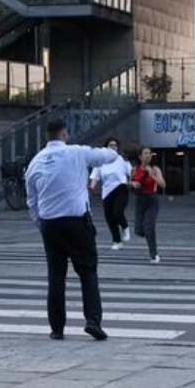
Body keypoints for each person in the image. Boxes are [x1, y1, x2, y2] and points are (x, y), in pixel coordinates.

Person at [25, 118, 117, 341]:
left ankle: (57, 328)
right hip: (77, 223)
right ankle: (92, 321)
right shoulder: (77, 152)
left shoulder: (35, 162)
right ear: (65, 134)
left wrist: (42, 224)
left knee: (56, 277)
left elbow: (31, 201)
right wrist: (113, 151)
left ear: (47, 136)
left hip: (50, 225)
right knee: (88, 272)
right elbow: (107, 156)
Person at [89, 138, 131, 251]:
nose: (113, 147)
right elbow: (95, 177)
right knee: (109, 218)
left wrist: (134, 182)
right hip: (107, 192)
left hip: (121, 187)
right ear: (106, 148)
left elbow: (131, 173)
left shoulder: (122, 159)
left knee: (117, 212)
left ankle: (125, 227)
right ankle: (117, 241)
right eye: (111, 145)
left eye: (115, 145)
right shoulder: (100, 162)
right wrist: (92, 186)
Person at [130, 147, 166, 264]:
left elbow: (163, 185)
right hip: (140, 200)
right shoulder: (134, 169)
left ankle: (154, 255)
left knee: (149, 227)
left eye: (150, 154)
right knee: (138, 230)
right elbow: (127, 182)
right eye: (145, 153)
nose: (148, 155)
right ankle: (151, 237)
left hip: (152, 200)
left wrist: (153, 175)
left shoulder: (155, 169)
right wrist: (133, 183)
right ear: (140, 156)